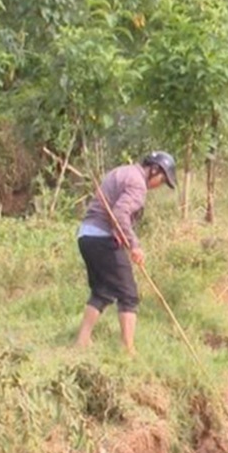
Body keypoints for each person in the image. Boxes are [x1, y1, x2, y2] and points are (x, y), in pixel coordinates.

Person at [74, 151, 176, 354]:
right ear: (154, 169)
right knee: (129, 295)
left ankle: (82, 341)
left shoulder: (123, 171)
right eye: (162, 179)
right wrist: (134, 245)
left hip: (86, 236)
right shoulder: (137, 183)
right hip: (102, 238)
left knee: (102, 291)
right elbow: (120, 213)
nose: (159, 185)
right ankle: (128, 349)